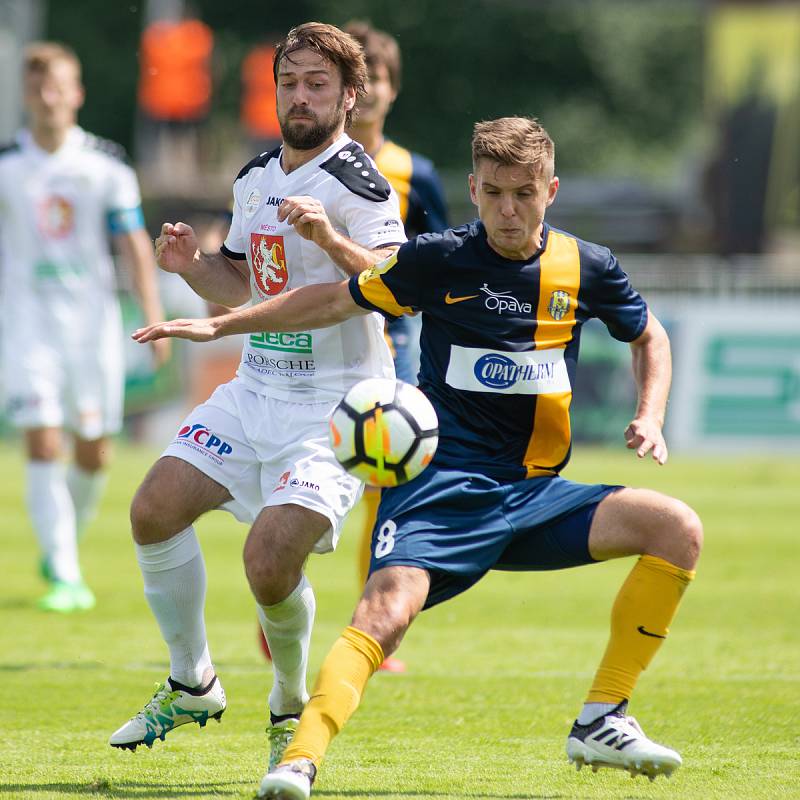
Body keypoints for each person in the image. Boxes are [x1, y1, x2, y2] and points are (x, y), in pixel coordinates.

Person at [132, 116, 703, 799]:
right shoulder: (440, 258)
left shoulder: (588, 266)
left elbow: (649, 335)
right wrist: (222, 323)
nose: (508, 210)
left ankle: (602, 718)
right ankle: (297, 760)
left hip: (534, 494)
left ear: (551, 189)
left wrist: (650, 415)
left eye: (524, 193)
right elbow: (329, 301)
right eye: (493, 193)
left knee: (676, 527)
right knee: (384, 615)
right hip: (441, 488)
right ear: (473, 189)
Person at [108, 22, 406, 775]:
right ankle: (192, 680)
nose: (300, 97)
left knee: (268, 559)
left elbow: (386, 286)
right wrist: (192, 267)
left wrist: (332, 243)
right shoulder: (254, 177)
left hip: (336, 405)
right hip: (256, 391)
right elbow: (247, 283)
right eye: (289, 82)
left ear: (350, 94)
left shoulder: (358, 182)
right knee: (152, 511)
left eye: (317, 84)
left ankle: (286, 705)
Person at [0, 42, 169, 614]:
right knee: (44, 438)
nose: (49, 98)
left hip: (92, 327)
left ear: (77, 94)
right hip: (26, 326)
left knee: (94, 452)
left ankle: (61, 544)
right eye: (39, 88)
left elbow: (134, 246)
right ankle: (65, 570)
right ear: (27, 95)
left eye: (59, 87)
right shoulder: (6, 166)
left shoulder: (105, 166)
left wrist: (155, 316)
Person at [344, 21, 449, 672]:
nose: (371, 90)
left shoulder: (416, 173)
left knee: (387, 481)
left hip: (397, 338)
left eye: (378, 77)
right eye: (360, 80)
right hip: (319, 335)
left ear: (392, 88)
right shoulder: (301, 163)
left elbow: (445, 264)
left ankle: (369, 625)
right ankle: (281, 599)